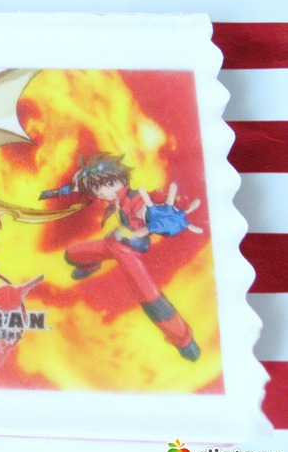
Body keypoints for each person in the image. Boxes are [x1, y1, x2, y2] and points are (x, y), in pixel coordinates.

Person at [40, 152, 202, 361]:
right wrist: (58, 191)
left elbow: (147, 207)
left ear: (122, 178)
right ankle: (90, 266)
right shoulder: (107, 194)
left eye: (109, 183)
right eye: (97, 187)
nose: (103, 190)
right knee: (73, 253)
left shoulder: (134, 200)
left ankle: (184, 341)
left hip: (129, 252)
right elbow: (83, 187)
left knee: (151, 299)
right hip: (113, 243)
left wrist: (159, 218)